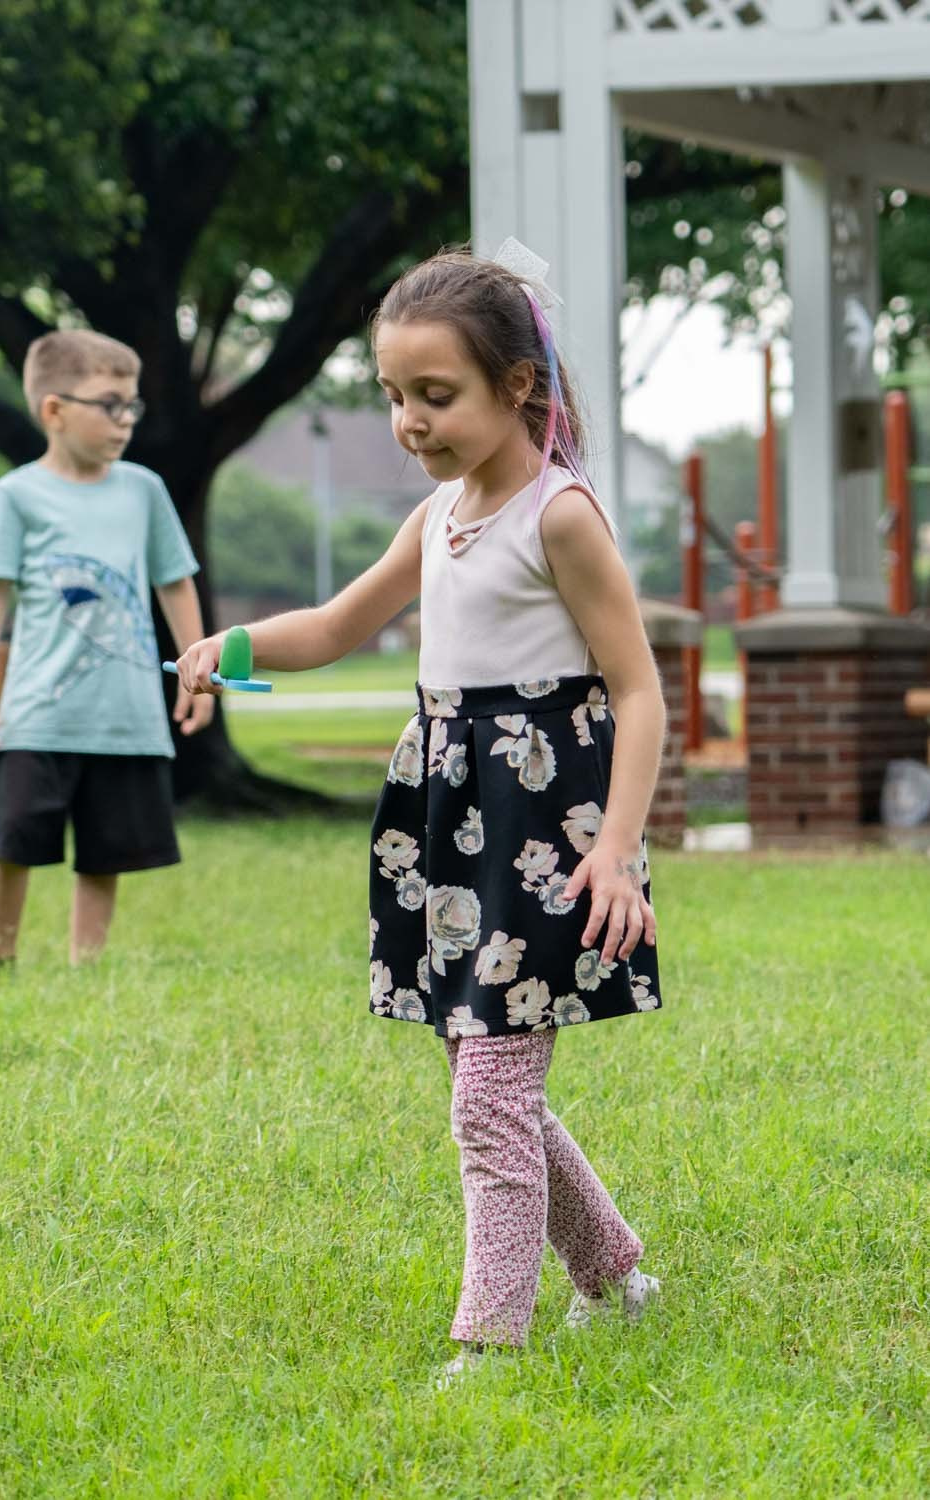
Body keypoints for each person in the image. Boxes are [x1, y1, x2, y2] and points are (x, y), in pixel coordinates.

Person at [176, 248, 662, 1384]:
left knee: (488, 1095)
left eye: (433, 396)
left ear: (516, 386)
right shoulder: (439, 516)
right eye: (392, 396)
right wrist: (227, 648)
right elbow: (339, 624)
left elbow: (636, 690)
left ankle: (489, 1340)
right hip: (446, 821)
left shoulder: (561, 516)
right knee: (485, 1077)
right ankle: (617, 1278)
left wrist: (618, 853)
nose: (407, 421)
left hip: (545, 831)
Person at [0, 330, 210, 969]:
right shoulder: (16, 494)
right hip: (39, 710)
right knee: (14, 839)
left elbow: (173, 579)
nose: (125, 420)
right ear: (54, 410)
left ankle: (87, 966)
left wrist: (196, 668)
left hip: (125, 714)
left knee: (108, 848)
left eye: (132, 405)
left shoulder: (143, 490)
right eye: (109, 404)